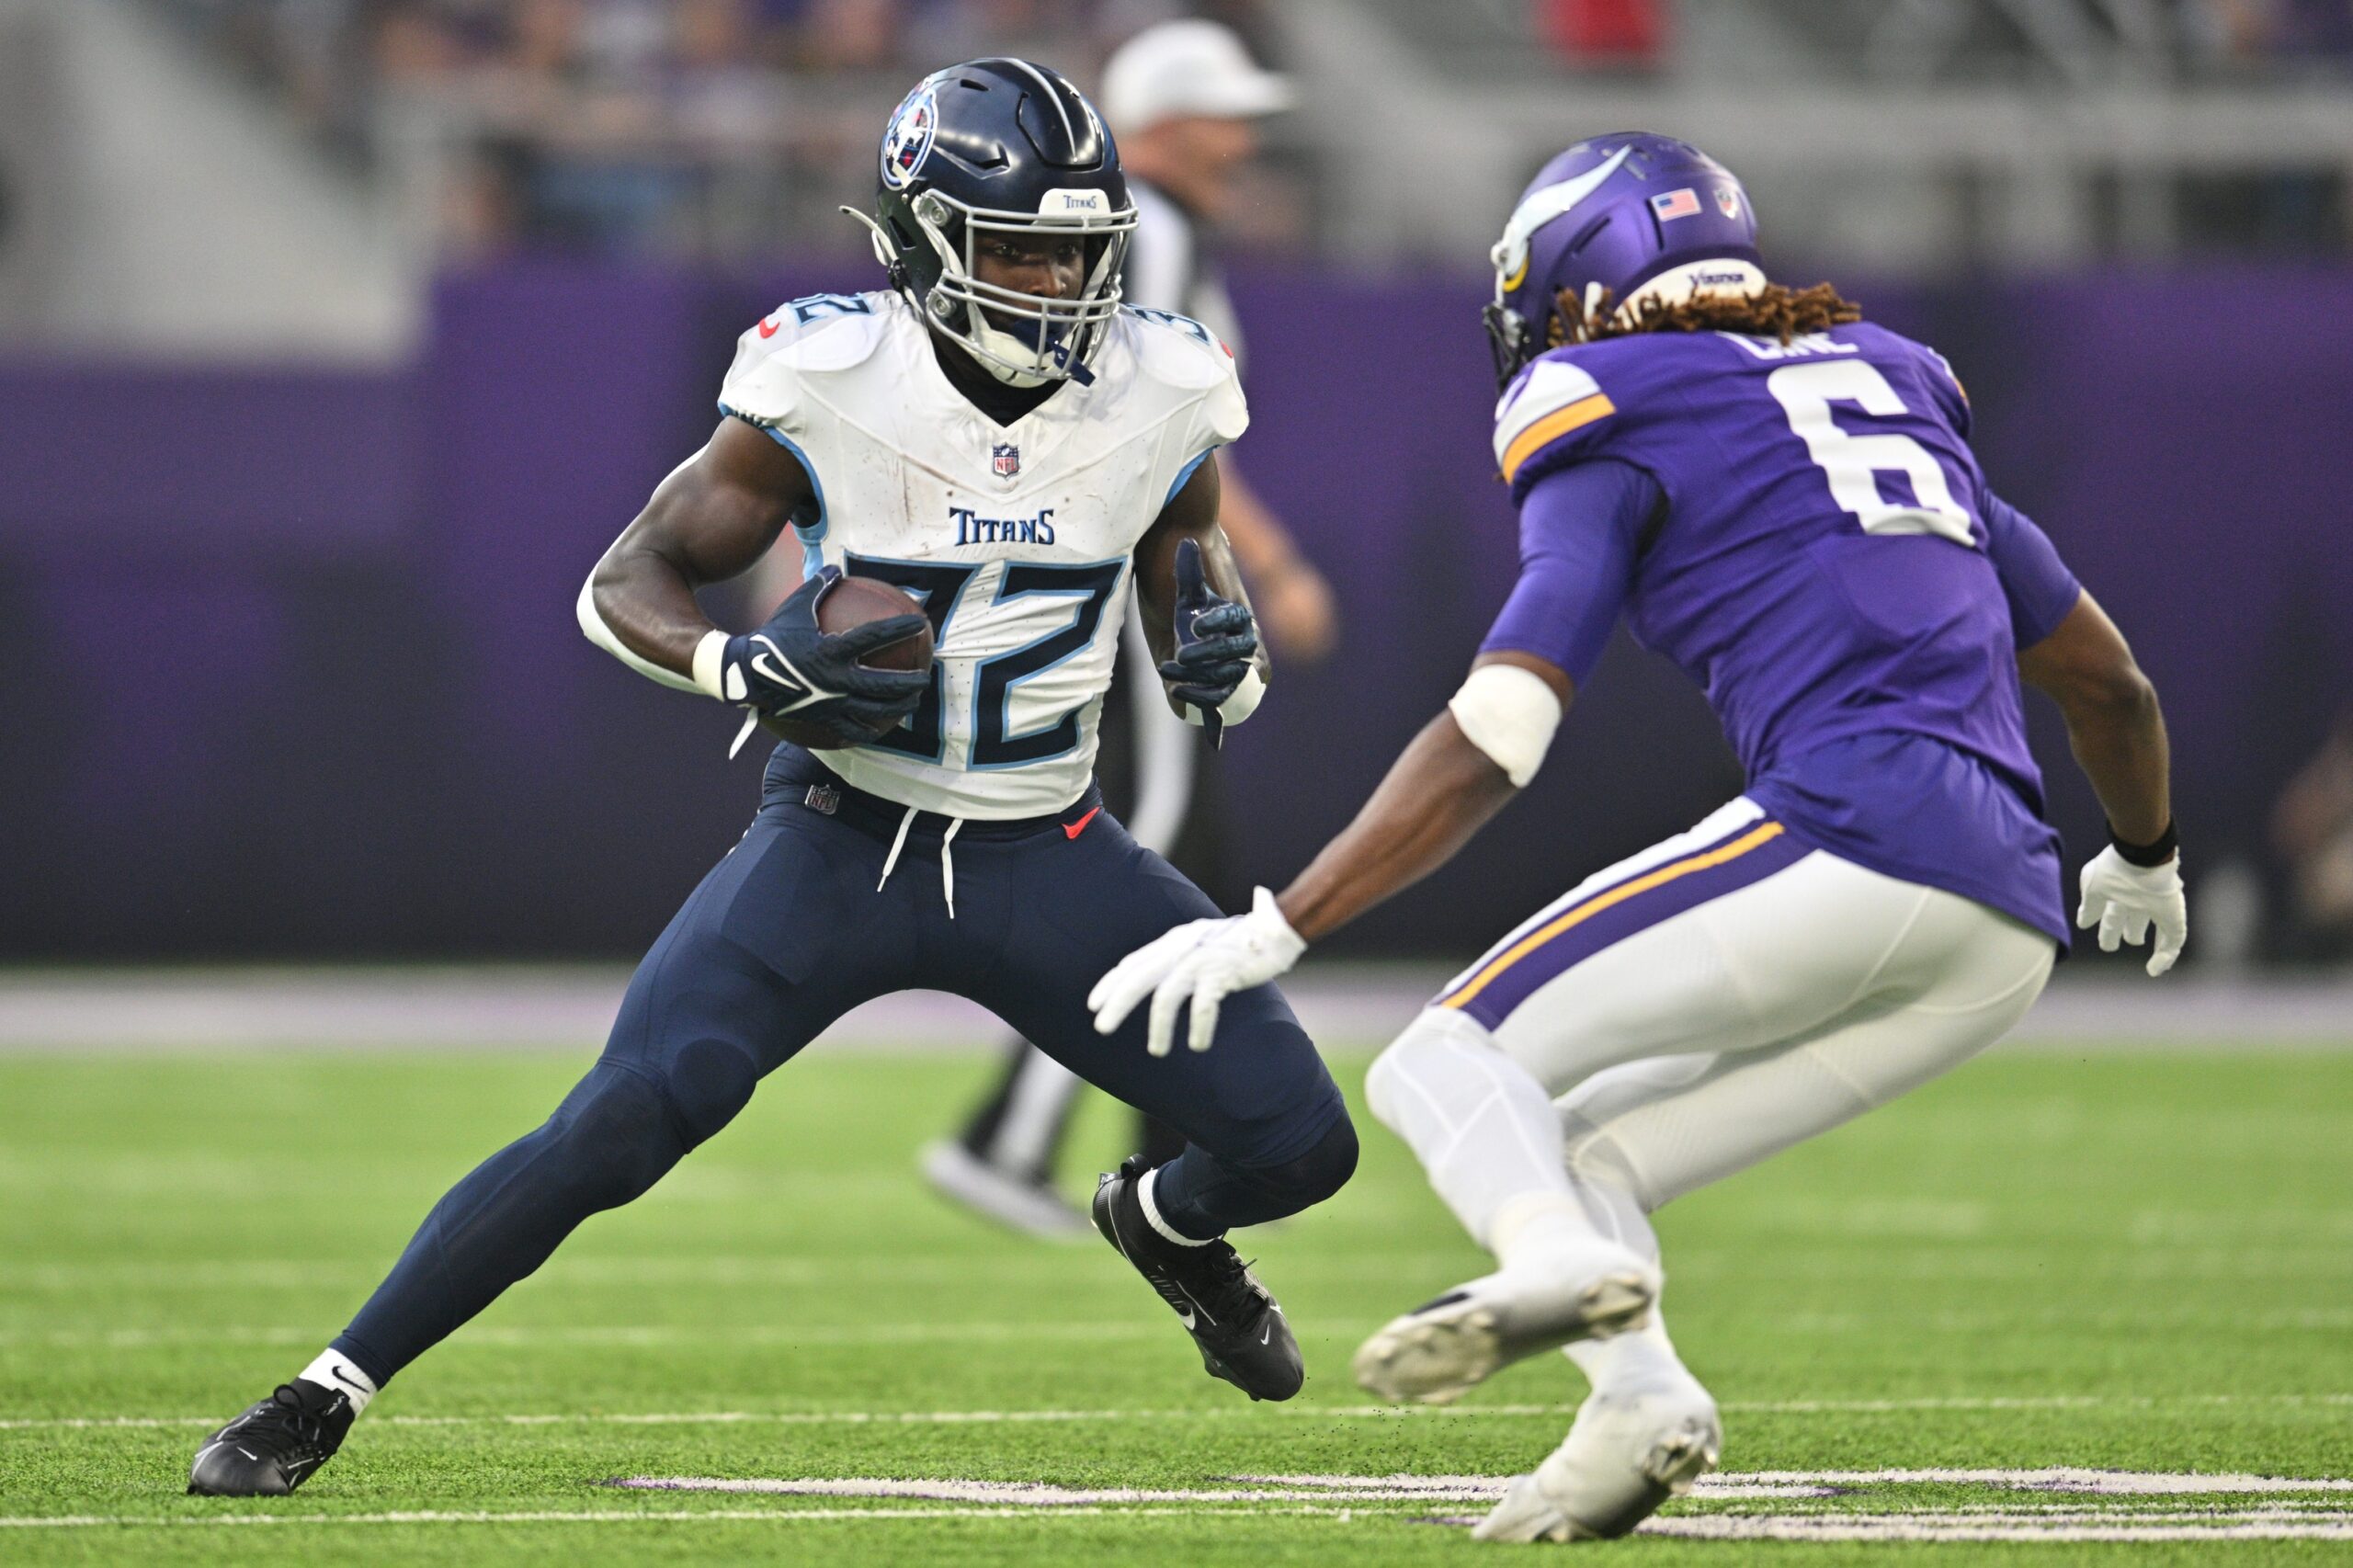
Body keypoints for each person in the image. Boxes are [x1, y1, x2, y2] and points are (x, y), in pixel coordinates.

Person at [187, 58, 1357, 1498]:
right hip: (839, 837)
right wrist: (736, 668)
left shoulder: (1163, 383)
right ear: (926, 242)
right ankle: (325, 1388)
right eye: (1021, 248)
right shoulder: (827, 375)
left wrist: (1216, 657)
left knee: (1304, 1141)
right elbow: (633, 573)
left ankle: (1167, 1224)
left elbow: (1191, 570)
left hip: (1049, 846)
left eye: (1080, 247)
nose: (1060, 283)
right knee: (625, 1115)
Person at [1089, 134, 2187, 1541]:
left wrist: (1282, 921)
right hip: (2005, 920)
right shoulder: (1891, 379)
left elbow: (1502, 728)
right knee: (1587, 1145)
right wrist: (2146, 853)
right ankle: (1644, 1403)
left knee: (1443, 1060)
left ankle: (1543, 1268)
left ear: (1585, 290)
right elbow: (2111, 683)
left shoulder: (1602, 391)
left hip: (1856, 832)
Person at [924, 18, 1340, 1236]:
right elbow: (1143, 421)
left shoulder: (1159, 231)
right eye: (1223, 115)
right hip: (1122, 575)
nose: (1242, 140)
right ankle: (1010, 1133)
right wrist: (1253, 563)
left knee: (1193, 873)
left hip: (1106, 560)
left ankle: (1182, 1151)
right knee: (1146, 842)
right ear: (1157, 125)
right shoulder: (1141, 232)